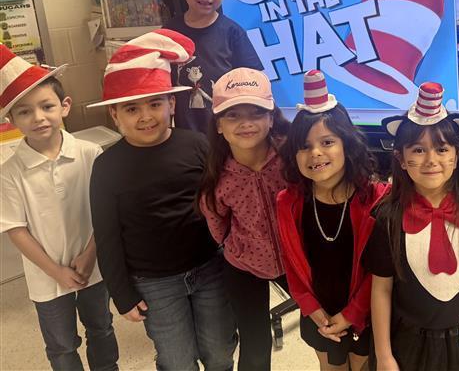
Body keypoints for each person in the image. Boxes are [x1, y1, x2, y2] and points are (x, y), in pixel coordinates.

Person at [88, 29, 237, 371]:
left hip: (208, 267)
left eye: (155, 103)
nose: (145, 116)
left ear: (172, 103)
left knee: (219, 350)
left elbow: (221, 202)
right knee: (177, 359)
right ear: (114, 115)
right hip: (153, 281)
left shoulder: (197, 144)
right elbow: (107, 235)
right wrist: (121, 293)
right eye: (131, 108)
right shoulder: (107, 166)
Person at [364, 82, 459, 371]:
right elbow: (381, 290)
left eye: (441, 148)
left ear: (457, 155)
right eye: (418, 150)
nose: (431, 160)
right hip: (410, 346)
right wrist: (384, 355)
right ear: (401, 159)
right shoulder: (389, 218)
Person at [0, 46, 118, 370]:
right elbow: (16, 229)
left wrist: (91, 254)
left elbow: (105, 212)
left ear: (64, 107)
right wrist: (56, 272)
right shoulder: (10, 172)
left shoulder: (90, 153)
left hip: (92, 267)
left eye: (47, 106)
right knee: (62, 346)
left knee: (102, 328)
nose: (38, 117)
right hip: (45, 277)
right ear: (11, 120)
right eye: (24, 112)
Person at [277, 70, 388, 371]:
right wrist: (312, 310)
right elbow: (293, 266)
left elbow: (379, 274)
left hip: (365, 314)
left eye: (327, 142)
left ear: (346, 145)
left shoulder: (376, 201)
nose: (315, 153)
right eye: (304, 146)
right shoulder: (289, 203)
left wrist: (353, 314)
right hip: (318, 314)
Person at [197, 67, 291, 371]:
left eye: (256, 112)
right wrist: (236, 248)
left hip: (297, 261)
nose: (246, 123)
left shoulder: (292, 160)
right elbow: (217, 225)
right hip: (244, 266)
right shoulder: (218, 177)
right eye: (233, 115)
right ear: (219, 125)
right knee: (255, 344)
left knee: (324, 323)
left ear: (271, 117)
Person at [163, 0, 262, 133]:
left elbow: (254, 81)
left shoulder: (233, 33)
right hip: (185, 131)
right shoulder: (169, 33)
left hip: (227, 132)